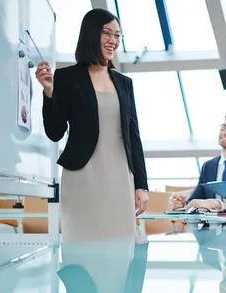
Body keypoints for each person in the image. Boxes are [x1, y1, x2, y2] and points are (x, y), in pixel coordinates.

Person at [36, 8, 149, 242]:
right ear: (90, 33)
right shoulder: (67, 78)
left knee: (120, 247)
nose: (113, 41)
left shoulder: (124, 83)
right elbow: (55, 132)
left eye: (118, 35)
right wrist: (49, 94)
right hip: (82, 178)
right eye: (107, 33)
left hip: (120, 178)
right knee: (81, 244)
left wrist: (141, 185)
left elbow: (133, 136)